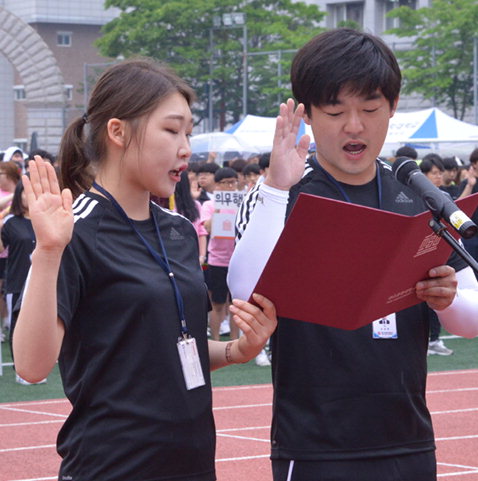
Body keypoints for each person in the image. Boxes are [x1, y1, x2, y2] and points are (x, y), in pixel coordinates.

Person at [228, 28, 478, 481]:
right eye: (336, 111)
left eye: (369, 109)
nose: (354, 126)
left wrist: (448, 299)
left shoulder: (418, 192)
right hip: (314, 445)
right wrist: (275, 189)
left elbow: (472, 318)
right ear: (306, 114)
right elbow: (246, 294)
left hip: (408, 437)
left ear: (393, 108)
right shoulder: (281, 192)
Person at [12, 58, 277, 481]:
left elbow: (171, 346)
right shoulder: (71, 230)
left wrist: (236, 350)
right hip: (110, 466)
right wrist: (47, 251)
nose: (186, 147)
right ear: (117, 131)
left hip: (192, 464)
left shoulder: (178, 232)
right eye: (172, 130)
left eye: (188, 132)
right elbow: (30, 365)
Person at [419, 154, 454, 356]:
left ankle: (435, 339)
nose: (439, 177)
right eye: (434, 173)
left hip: (441, 256)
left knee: (438, 297)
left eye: (440, 173)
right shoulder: (409, 199)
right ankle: (428, 340)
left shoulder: (445, 199)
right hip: (419, 258)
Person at [201, 167, 240, 341]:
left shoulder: (242, 202)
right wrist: (219, 207)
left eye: (233, 182)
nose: (230, 187)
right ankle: (215, 341)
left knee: (235, 305)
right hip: (217, 260)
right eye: (225, 183)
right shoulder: (209, 205)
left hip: (238, 260)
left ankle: (234, 341)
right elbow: (207, 228)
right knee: (217, 303)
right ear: (217, 185)